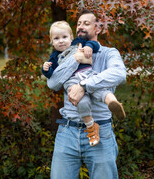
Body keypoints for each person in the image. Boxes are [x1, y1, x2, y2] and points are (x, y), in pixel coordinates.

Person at [46, 9, 126, 179]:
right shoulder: (67, 53)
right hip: (67, 131)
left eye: (86, 23)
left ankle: (113, 103)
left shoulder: (108, 53)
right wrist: (74, 60)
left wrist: (84, 85)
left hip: (101, 131)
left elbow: (119, 74)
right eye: (79, 23)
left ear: (98, 28)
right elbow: (52, 83)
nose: (81, 26)